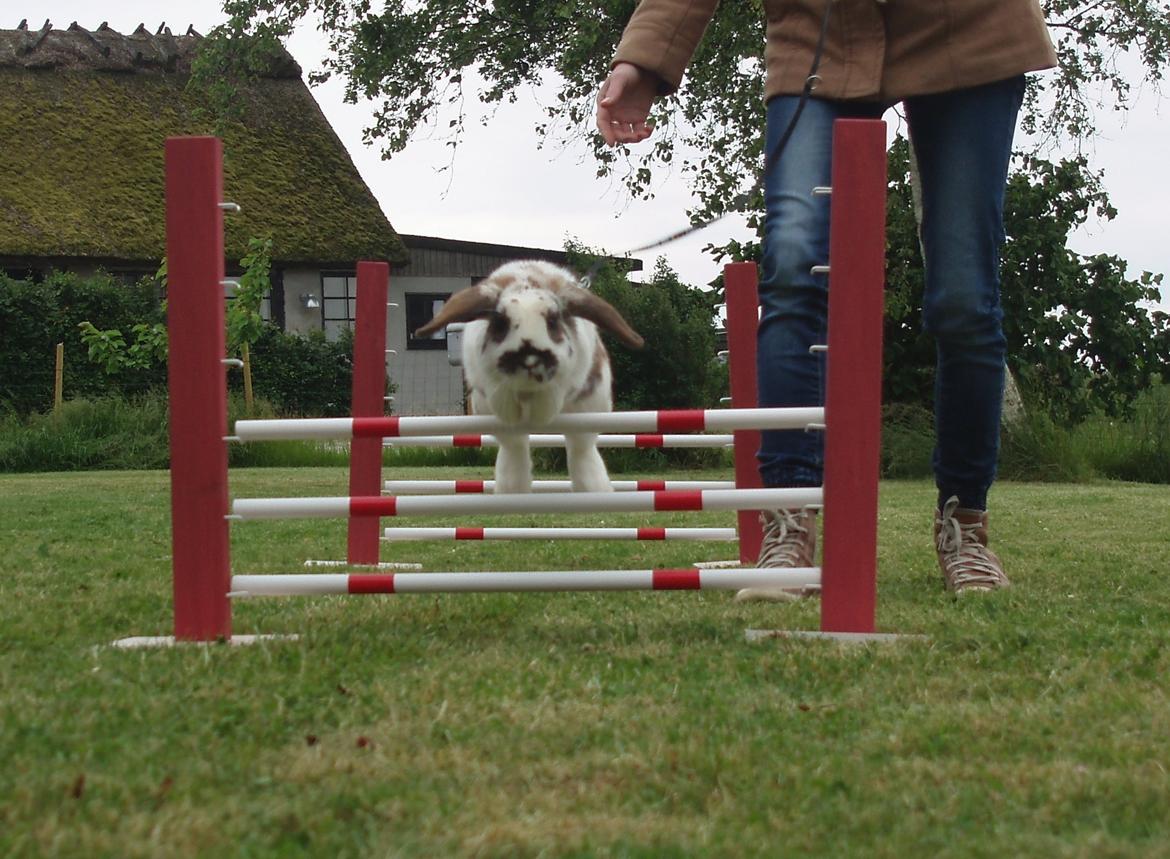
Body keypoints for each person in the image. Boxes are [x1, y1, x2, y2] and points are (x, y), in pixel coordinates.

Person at [596, 1, 1057, 597]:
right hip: (818, 36)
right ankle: (788, 521)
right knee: (791, 267)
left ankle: (965, 524)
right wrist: (644, 59)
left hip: (969, 28)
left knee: (965, 299)